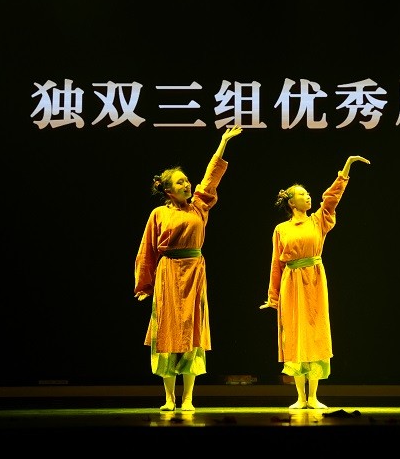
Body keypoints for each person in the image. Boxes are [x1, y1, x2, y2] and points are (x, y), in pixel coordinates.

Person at [134, 126, 243, 412]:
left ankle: (188, 398)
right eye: (180, 182)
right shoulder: (159, 214)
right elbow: (146, 251)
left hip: (194, 272)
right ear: (169, 190)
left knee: (192, 330)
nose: (187, 184)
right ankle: (169, 397)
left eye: (186, 180)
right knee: (167, 330)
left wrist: (222, 143)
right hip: (169, 274)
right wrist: (144, 285)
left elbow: (210, 178)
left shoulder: (198, 207)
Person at [259, 155, 370, 410]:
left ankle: (313, 397)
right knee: (296, 335)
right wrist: (273, 297)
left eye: (308, 193)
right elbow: (276, 264)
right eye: (302, 194)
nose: (308, 196)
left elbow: (331, 199)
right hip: (291, 283)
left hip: (315, 281)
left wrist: (345, 170)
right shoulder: (281, 229)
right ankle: (300, 397)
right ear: (291, 202)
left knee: (315, 334)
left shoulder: (317, 221)